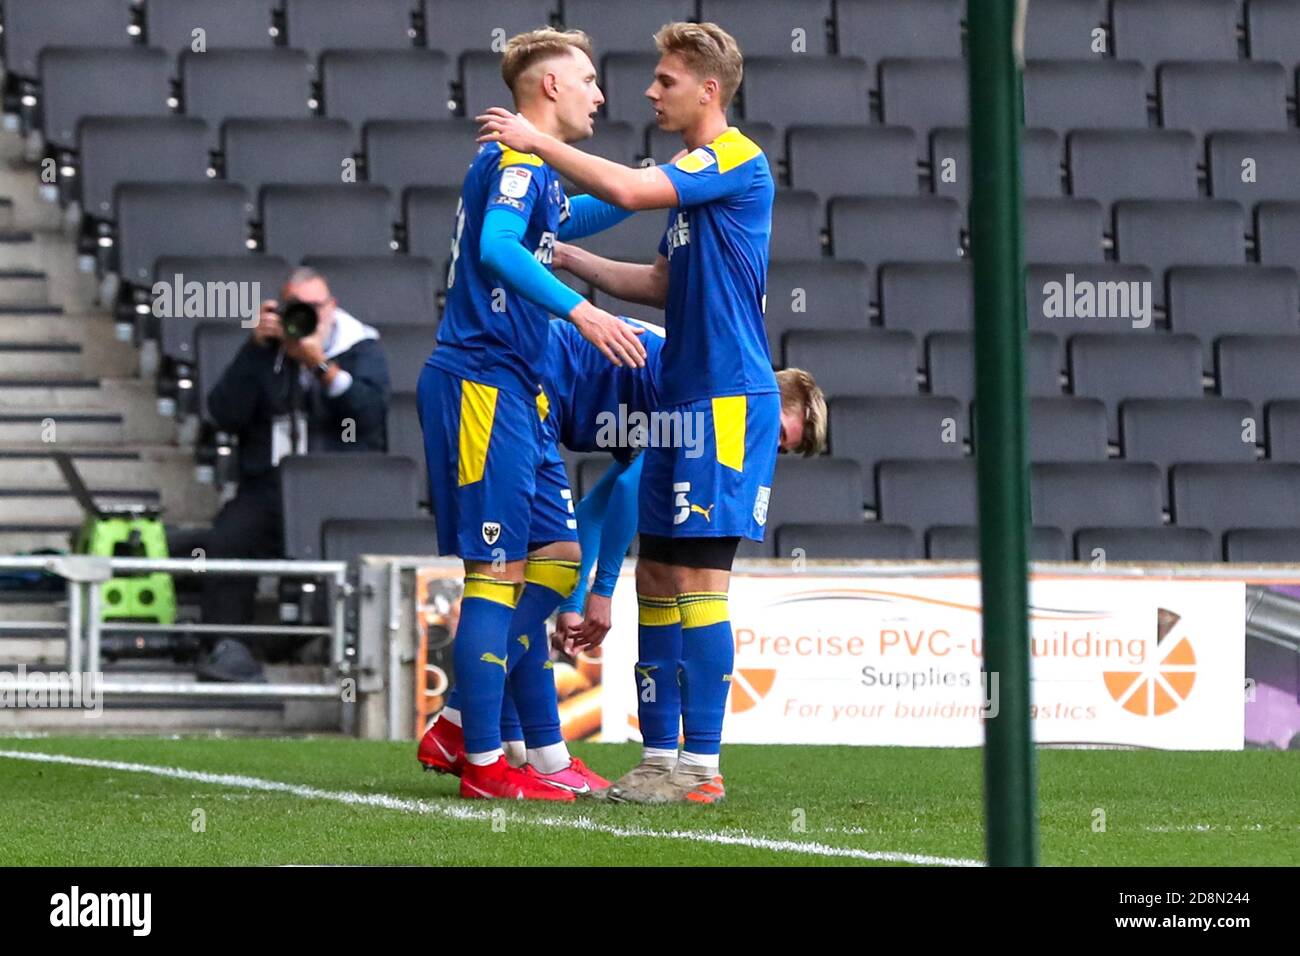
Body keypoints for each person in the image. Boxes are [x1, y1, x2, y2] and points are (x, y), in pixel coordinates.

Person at [478, 22, 779, 803]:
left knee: (700, 581)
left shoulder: (735, 159)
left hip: (727, 397)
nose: (650, 91)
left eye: (665, 80)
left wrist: (533, 142)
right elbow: (656, 285)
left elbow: (627, 190)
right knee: (654, 577)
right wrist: (571, 258)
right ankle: (656, 759)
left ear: (708, 89)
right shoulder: (693, 182)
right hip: (676, 397)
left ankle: (702, 769)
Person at [421, 314, 827, 804]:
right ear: (772, 397)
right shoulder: (705, 392)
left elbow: (596, 508)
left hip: (528, 377)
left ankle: (533, 753)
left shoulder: (685, 376)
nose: (773, 448)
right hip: (524, 383)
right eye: (782, 433)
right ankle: (462, 725)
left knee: (548, 567)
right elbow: (632, 491)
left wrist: (573, 596)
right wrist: (602, 591)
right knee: (520, 572)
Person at [414, 27, 646, 801]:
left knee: (555, 562)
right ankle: (482, 764)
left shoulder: (536, 173)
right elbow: (499, 249)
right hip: (481, 382)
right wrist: (583, 313)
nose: (599, 93)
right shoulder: (516, 163)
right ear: (549, 88)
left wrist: (652, 186)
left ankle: (516, 744)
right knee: (494, 574)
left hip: (520, 387)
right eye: (587, 79)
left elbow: (564, 221)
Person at [199, 267, 390, 682]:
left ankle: (342, 653)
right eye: (294, 307)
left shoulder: (360, 348)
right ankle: (227, 649)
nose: (304, 316)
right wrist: (254, 350)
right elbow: (223, 413)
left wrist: (320, 365)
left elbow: (371, 416)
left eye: (313, 307)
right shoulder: (265, 352)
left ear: (332, 308)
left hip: (339, 485)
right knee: (228, 536)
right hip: (271, 485)